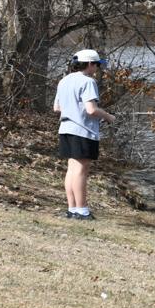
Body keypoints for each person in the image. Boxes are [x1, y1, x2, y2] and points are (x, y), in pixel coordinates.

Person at [52, 48, 118, 220]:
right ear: (89, 64)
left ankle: (72, 208)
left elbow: (57, 108)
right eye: (96, 64)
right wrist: (108, 116)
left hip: (65, 129)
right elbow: (91, 109)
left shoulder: (64, 81)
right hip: (83, 131)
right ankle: (82, 210)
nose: (97, 68)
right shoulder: (88, 82)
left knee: (72, 169)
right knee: (81, 170)